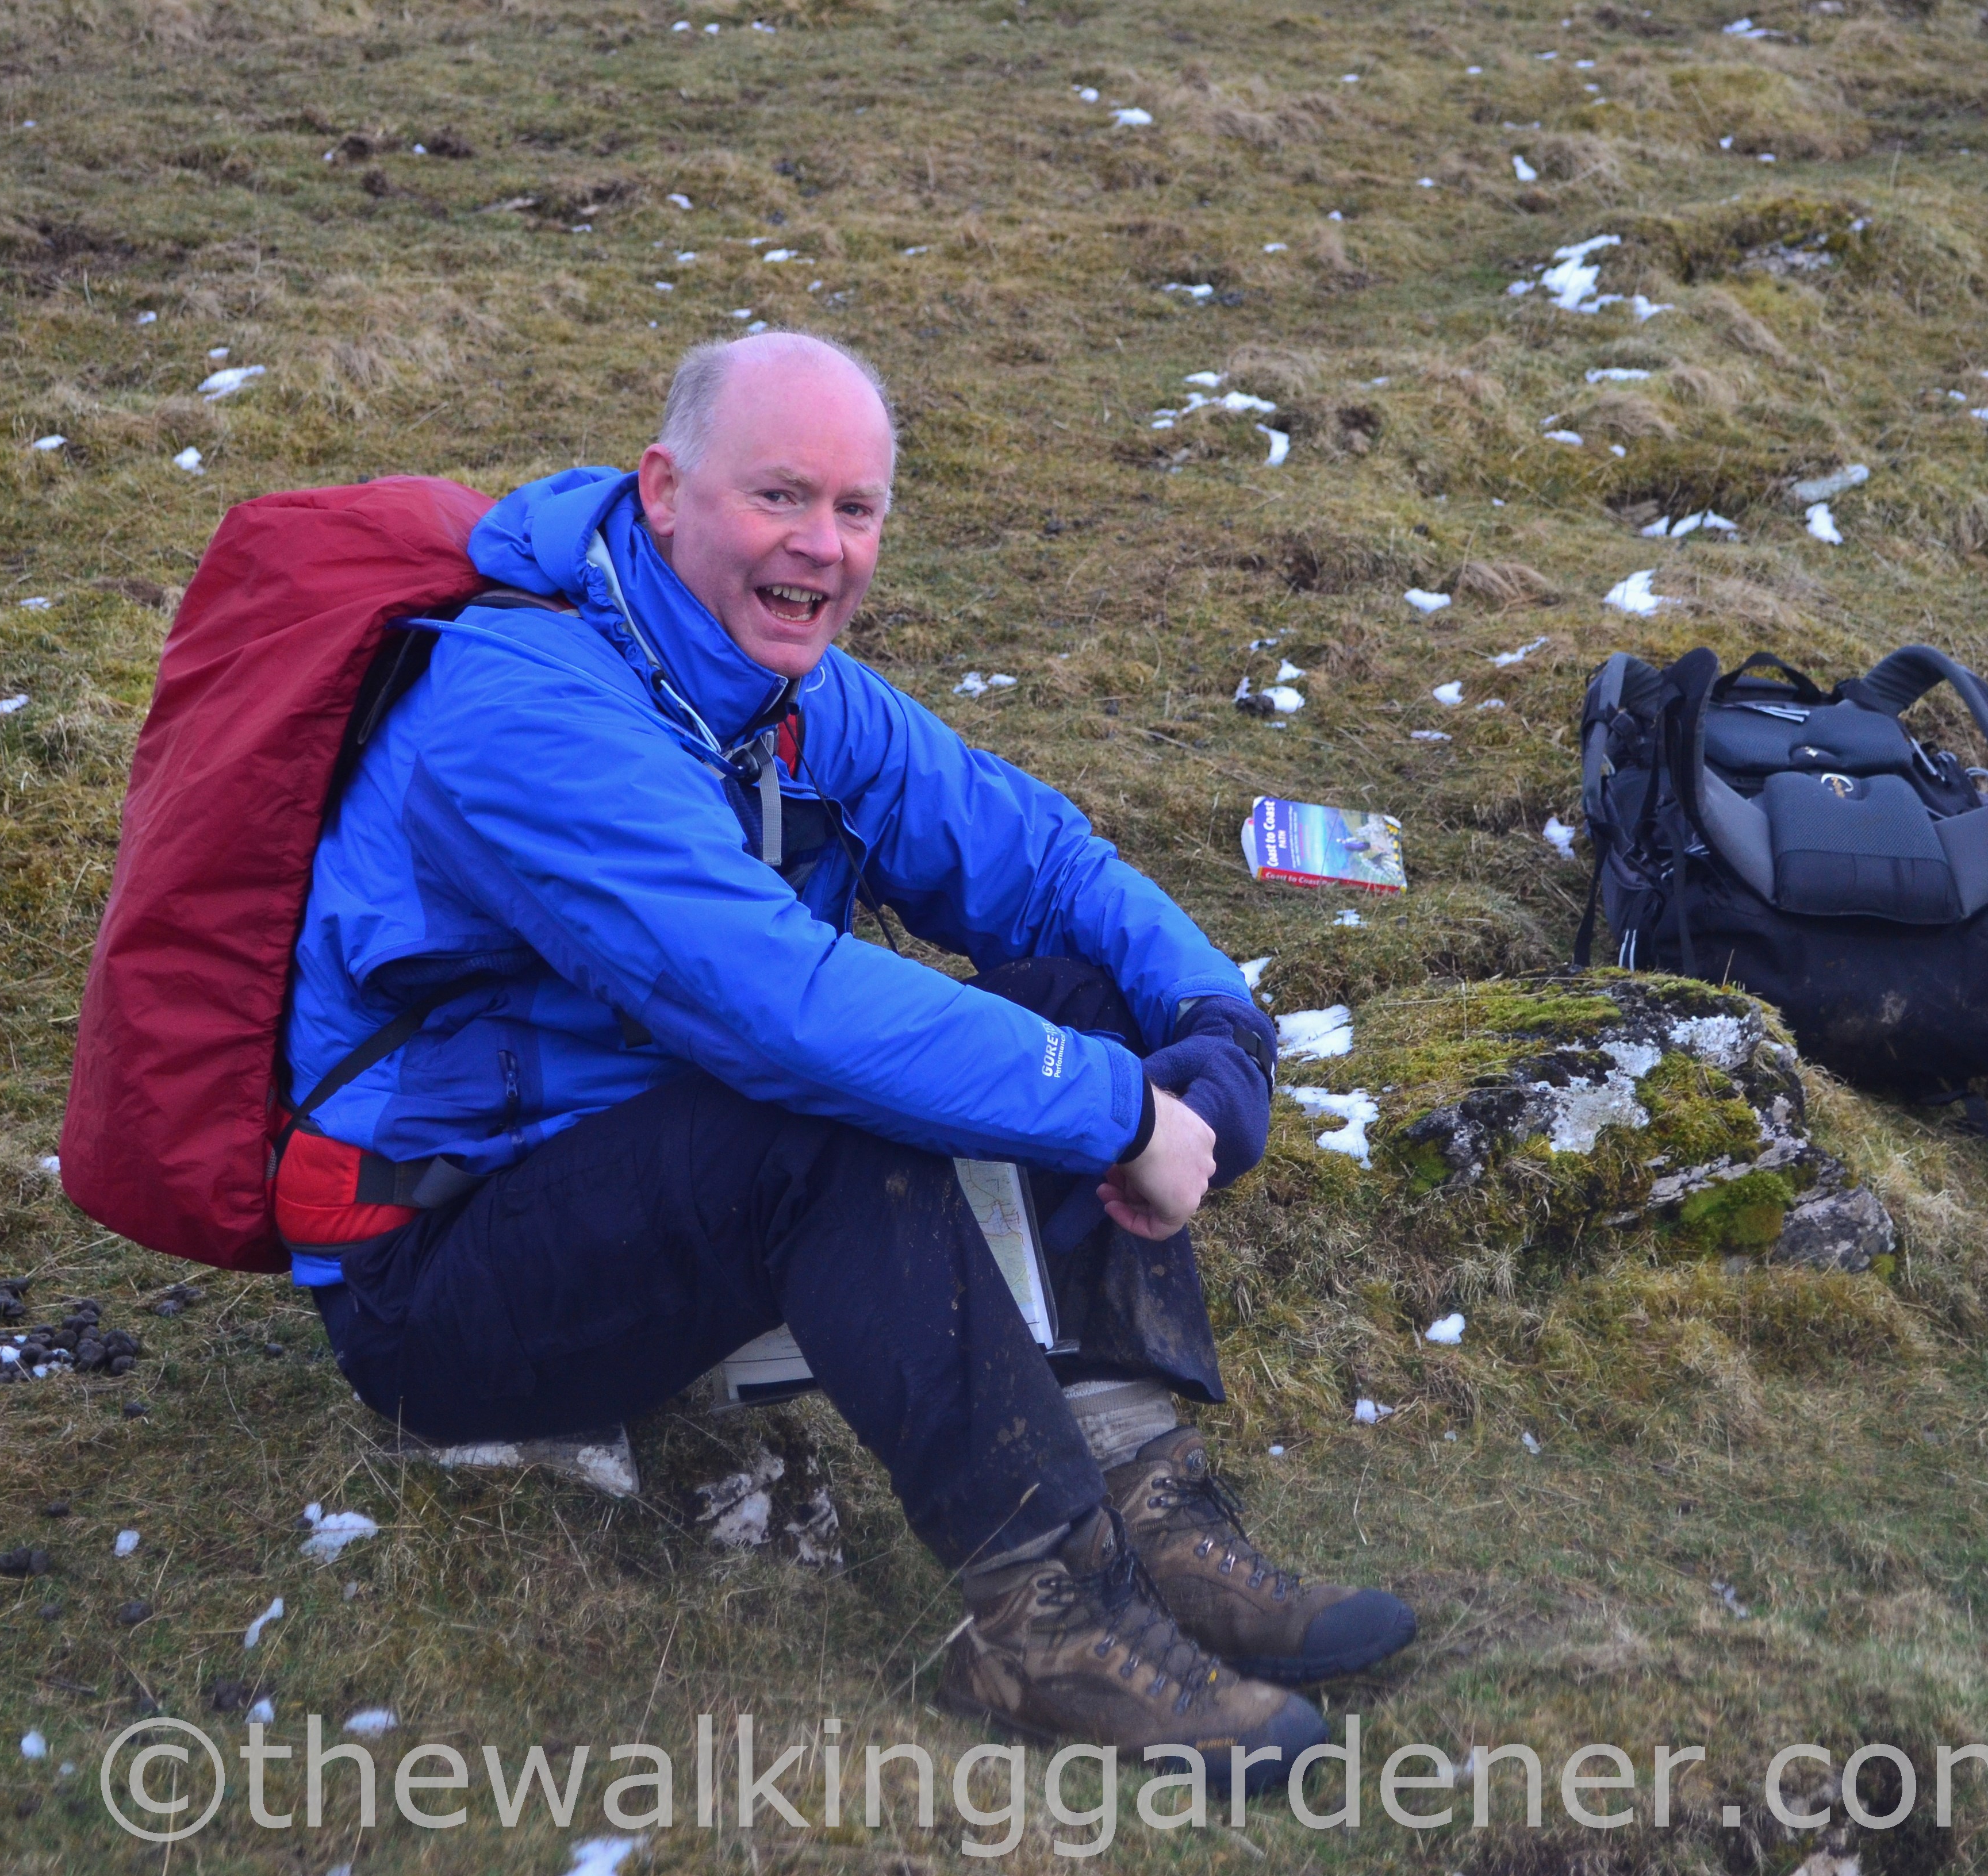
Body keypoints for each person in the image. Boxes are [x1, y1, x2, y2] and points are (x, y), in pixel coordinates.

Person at [275, 331, 1415, 1770]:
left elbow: (1038, 863)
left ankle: (1150, 1502)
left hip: (644, 1190)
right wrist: (1118, 1112)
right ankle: (1047, 1626)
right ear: (665, 490)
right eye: (780, 498)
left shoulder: (777, 694)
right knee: (821, 1118)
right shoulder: (524, 706)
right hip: (435, 1279)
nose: (821, 547)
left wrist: (1208, 1031)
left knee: (1070, 989)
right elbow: (774, 1008)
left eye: (856, 510)